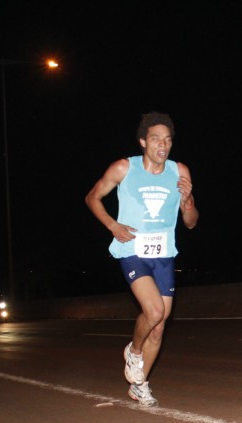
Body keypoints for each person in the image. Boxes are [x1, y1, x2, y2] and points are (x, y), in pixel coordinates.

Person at [85, 112, 199, 407]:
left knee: (159, 326)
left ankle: (139, 385)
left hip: (164, 255)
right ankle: (134, 351)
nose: (163, 144)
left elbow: (190, 222)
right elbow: (92, 198)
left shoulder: (180, 171)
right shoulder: (124, 167)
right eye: (156, 138)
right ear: (143, 142)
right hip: (133, 249)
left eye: (168, 139)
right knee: (154, 311)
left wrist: (187, 201)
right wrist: (113, 225)